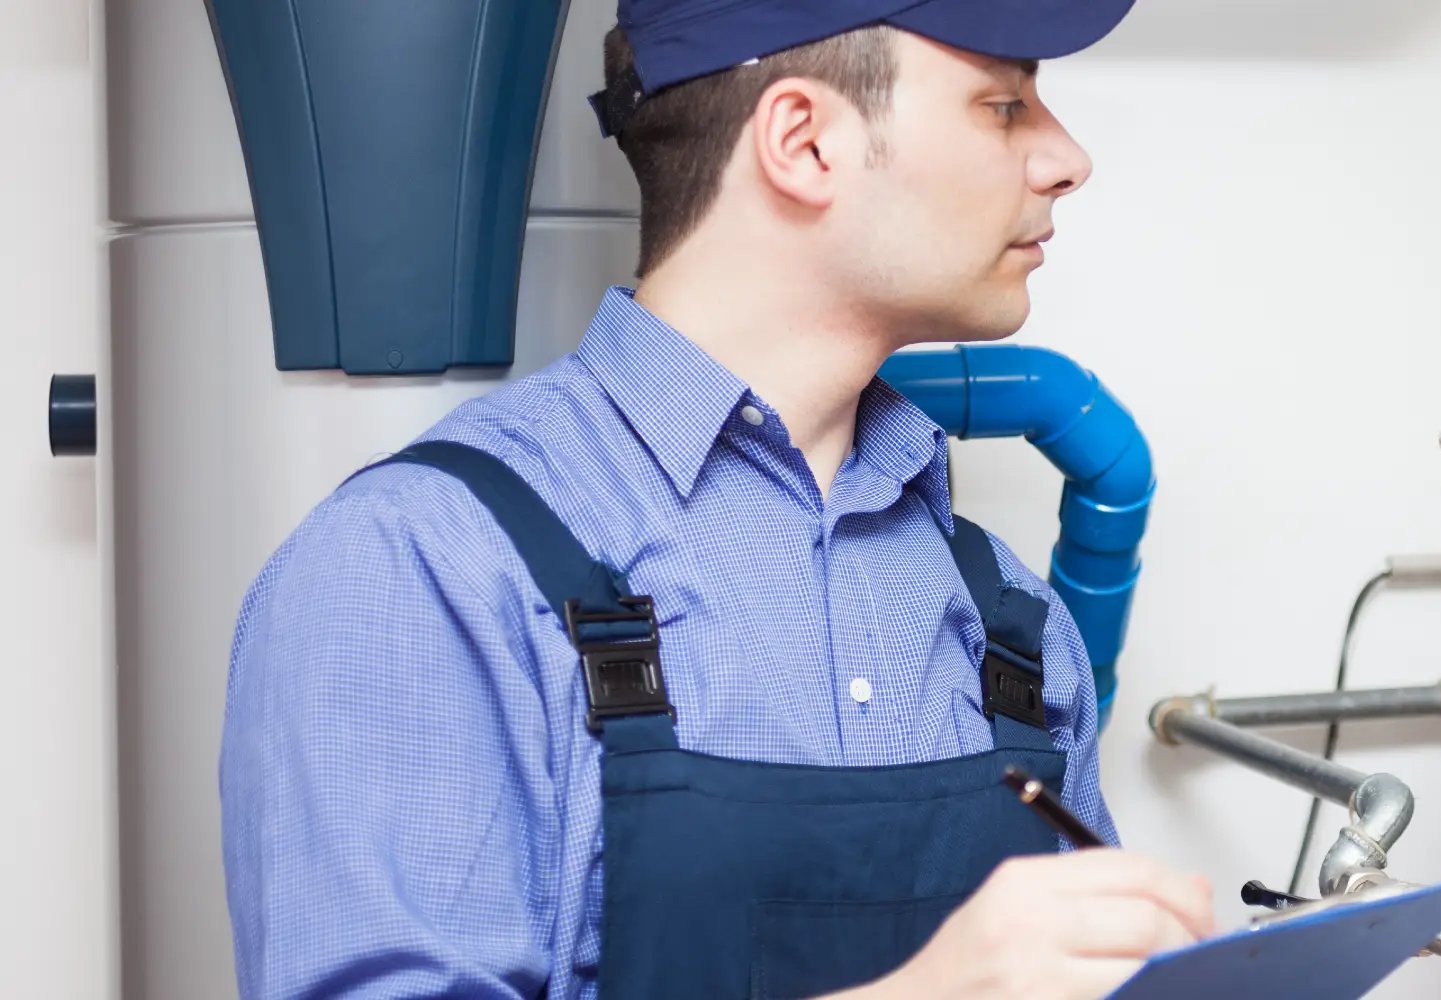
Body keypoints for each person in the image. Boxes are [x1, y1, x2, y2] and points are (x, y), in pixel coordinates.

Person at [219, 1, 1215, 998]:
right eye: (1003, 105)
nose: (1065, 157)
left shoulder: (1005, 610)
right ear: (804, 142)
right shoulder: (422, 567)